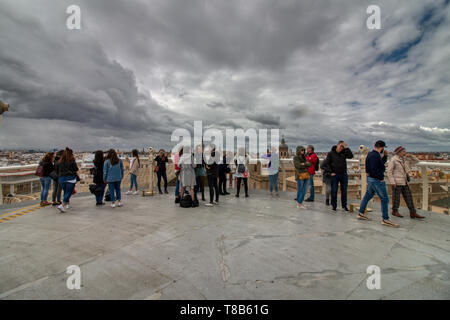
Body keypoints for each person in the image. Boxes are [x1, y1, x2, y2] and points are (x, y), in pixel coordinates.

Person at [357, 141, 399, 228]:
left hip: (371, 179)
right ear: (382, 147)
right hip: (376, 180)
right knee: (385, 199)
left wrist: (385, 156)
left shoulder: (372, 154)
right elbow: (374, 169)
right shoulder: (374, 155)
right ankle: (385, 219)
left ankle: (361, 213)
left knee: (367, 196)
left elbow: (379, 164)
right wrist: (380, 179)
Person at [387, 146, 424, 219]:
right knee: (396, 197)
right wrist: (392, 182)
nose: (405, 153)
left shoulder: (405, 159)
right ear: (399, 152)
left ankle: (413, 212)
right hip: (397, 182)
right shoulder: (394, 160)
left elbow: (417, 161)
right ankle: (394, 211)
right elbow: (389, 171)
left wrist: (411, 156)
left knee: (408, 197)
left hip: (404, 181)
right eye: (404, 151)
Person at [324, 141, 353, 212]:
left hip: (343, 174)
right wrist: (331, 172)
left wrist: (346, 148)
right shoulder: (331, 153)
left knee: (344, 191)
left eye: (343, 146)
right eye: (341, 146)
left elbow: (351, 156)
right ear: (337, 145)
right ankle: (334, 206)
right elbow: (326, 164)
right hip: (335, 175)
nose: (341, 148)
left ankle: (344, 205)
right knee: (334, 190)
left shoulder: (344, 152)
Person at [55, 148, 79, 213]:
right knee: (69, 192)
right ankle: (62, 205)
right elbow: (76, 169)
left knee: (65, 192)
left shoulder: (60, 161)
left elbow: (56, 170)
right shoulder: (72, 160)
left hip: (61, 179)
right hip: (70, 178)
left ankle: (67, 204)